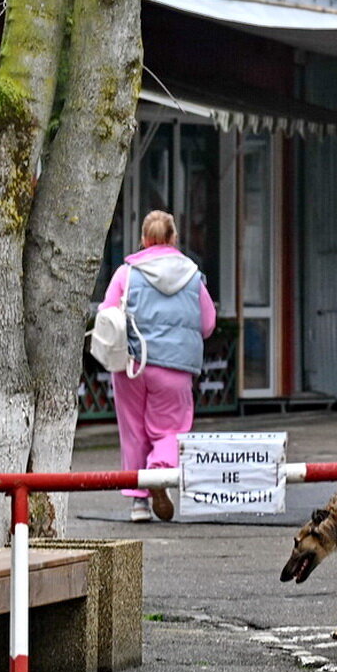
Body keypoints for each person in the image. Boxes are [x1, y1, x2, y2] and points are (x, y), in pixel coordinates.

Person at [100, 210, 216, 522]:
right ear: (173, 237)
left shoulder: (127, 273)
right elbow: (207, 324)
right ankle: (158, 474)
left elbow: (107, 312)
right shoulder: (192, 276)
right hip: (175, 368)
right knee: (171, 430)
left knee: (133, 431)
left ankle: (138, 502)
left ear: (143, 238)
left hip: (132, 363)